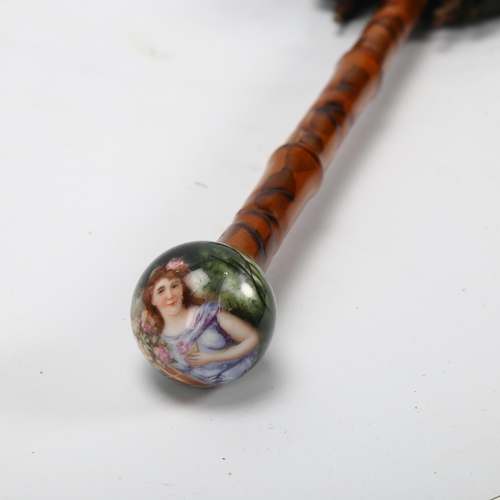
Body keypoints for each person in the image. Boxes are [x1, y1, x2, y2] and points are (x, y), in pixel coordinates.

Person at [140, 258, 259, 385]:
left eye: (174, 286)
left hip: (239, 374)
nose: (170, 295)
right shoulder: (159, 341)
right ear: (152, 299)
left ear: (182, 290)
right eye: (161, 291)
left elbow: (253, 337)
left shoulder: (208, 314)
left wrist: (213, 358)